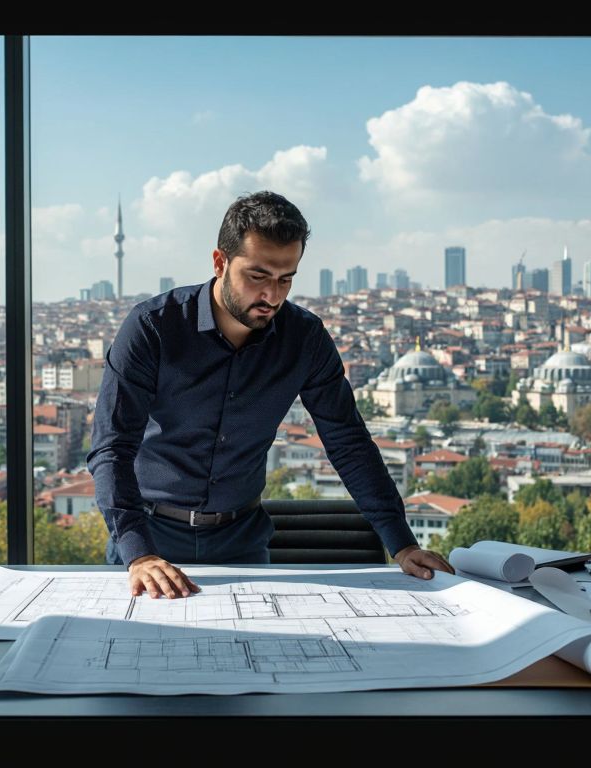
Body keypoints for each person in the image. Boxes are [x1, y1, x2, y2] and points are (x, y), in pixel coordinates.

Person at [87, 190, 454, 599]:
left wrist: (401, 544)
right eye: (258, 276)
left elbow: (348, 442)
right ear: (219, 262)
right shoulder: (153, 327)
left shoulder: (305, 338)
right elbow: (111, 447)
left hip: (242, 542)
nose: (272, 296)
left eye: (286, 279)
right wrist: (138, 554)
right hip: (148, 538)